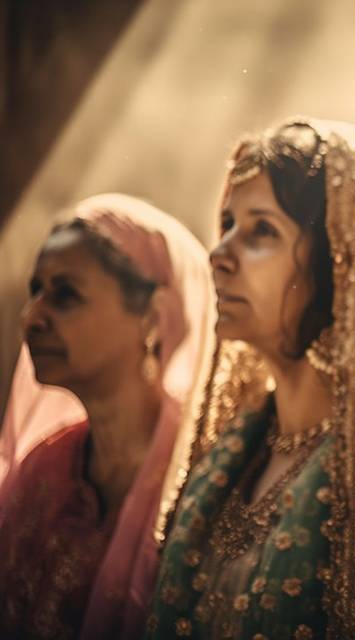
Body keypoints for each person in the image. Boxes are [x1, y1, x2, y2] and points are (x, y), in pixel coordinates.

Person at [146, 119, 355, 639]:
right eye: (226, 224)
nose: (218, 255)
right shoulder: (231, 452)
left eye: (261, 231)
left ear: (344, 263)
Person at [0, 193, 215, 639]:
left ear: (152, 319)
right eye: (35, 291)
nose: (31, 318)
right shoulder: (44, 471)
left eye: (65, 295)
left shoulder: (204, 478)